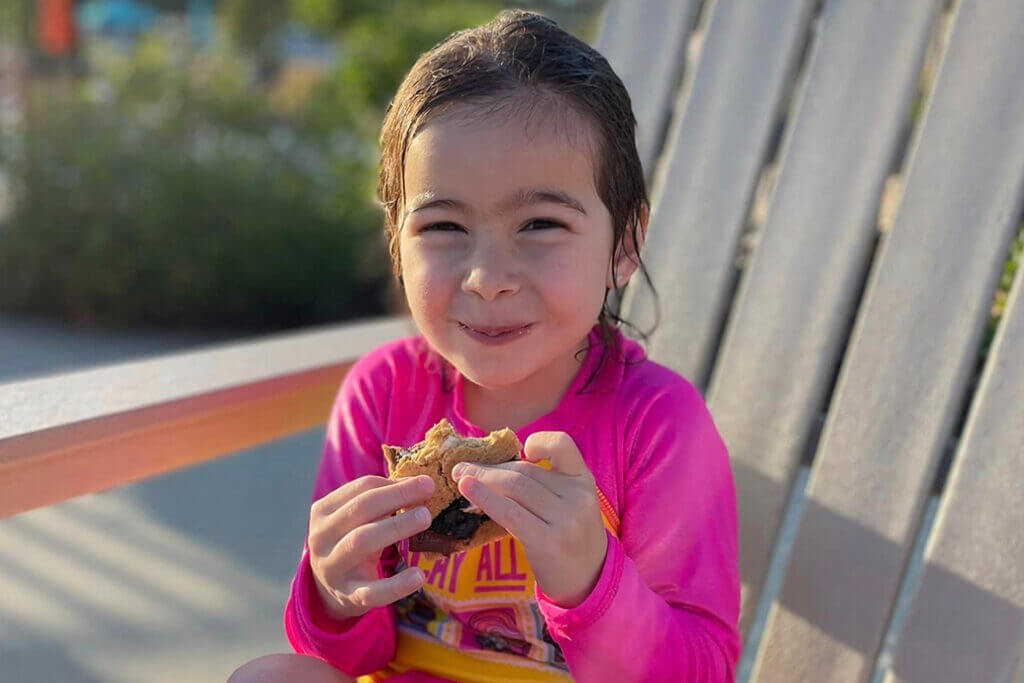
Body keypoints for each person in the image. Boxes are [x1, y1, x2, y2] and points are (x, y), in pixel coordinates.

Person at [229, 9, 740, 683]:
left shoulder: (658, 424)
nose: (488, 278)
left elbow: (703, 670)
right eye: (444, 227)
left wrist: (591, 584)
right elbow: (352, 659)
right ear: (397, 244)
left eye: (540, 224)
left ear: (624, 245)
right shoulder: (383, 393)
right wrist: (336, 593)